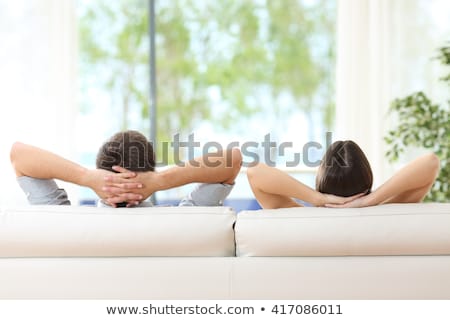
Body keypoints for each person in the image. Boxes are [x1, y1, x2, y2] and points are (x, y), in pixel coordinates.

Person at [10, 130, 242, 207]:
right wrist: (159, 180)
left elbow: (18, 155)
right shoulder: (183, 221)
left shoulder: (62, 222)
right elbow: (233, 158)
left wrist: (87, 177)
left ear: (101, 169)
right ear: (150, 168)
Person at [246, 140, 440, 209]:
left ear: (319, 180)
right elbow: (430, 162)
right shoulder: (390, 212)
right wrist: (369, 201)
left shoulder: (298, 217)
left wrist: (318, 198)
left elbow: (254, 172)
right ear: (367, 179)